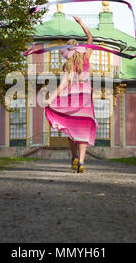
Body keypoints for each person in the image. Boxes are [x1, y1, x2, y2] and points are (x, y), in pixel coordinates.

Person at [45, 16, 98, 173]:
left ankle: (73, 157)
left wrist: (50, 99)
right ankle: (81, 162)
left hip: (70, 102)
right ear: (79, 48)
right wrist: (81, 23)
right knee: (83, 131)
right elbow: (90, 38)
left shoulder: (68, 66)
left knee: (71, 129)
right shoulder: (86, 58)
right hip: (86, 102)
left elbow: (62, 85)